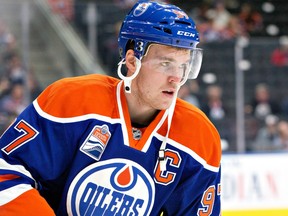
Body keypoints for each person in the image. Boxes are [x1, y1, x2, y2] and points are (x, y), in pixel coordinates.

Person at [0, 1, 222, 215]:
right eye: (166, 64)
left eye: (184, 65)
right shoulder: (72, 101)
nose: (177, 78)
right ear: (132, 60)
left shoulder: (199, 137)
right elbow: (6, 173)